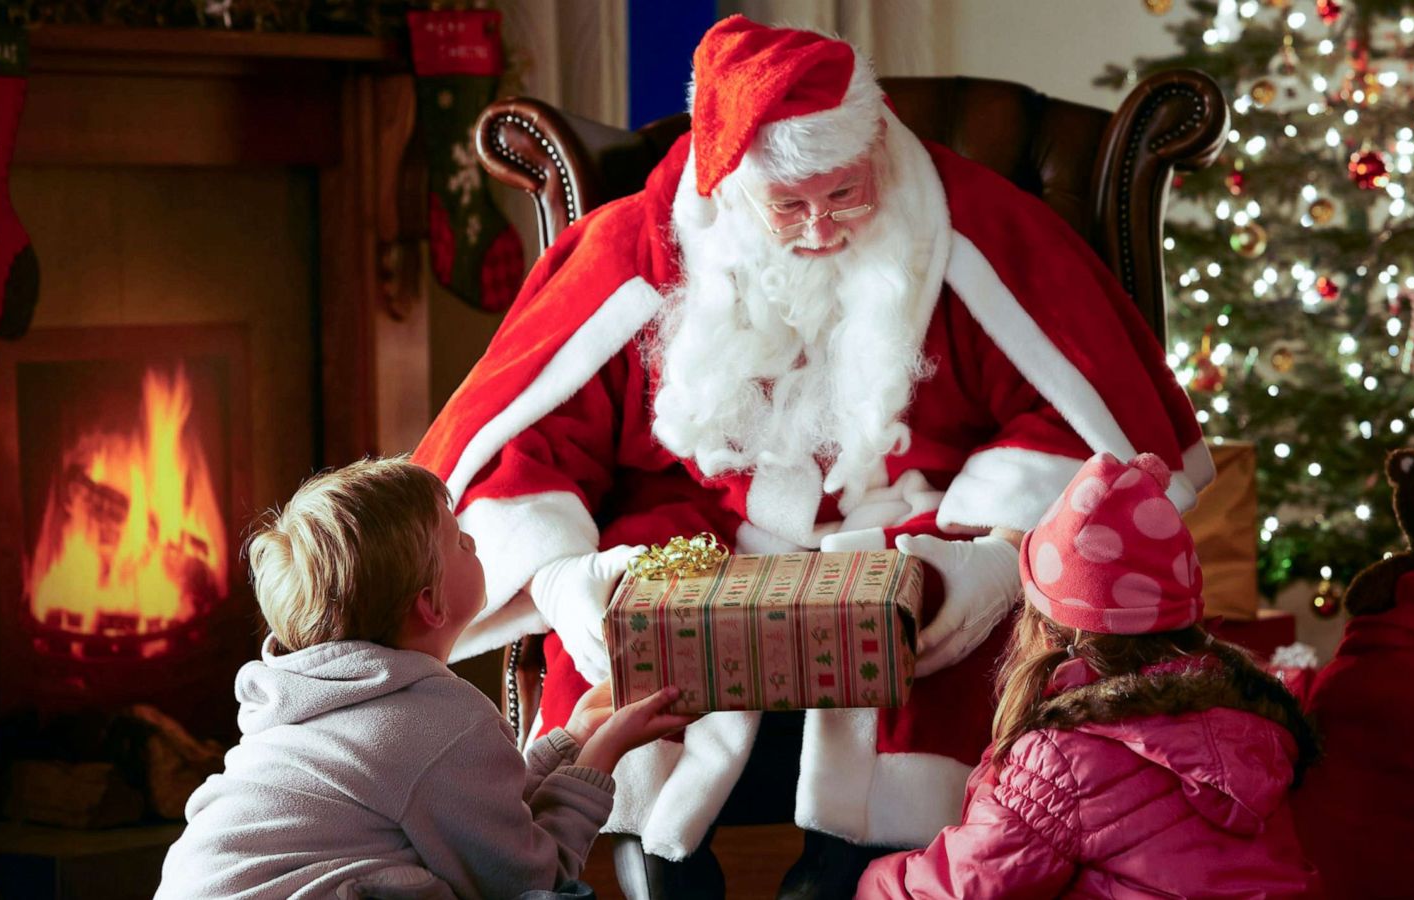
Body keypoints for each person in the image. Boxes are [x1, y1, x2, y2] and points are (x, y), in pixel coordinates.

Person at [416, 16, 1211, 899]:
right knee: (618, 689)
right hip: (691, 542)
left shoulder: (969, 229)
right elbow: (520, 444)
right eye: (789, 206)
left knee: (956, 665)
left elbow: (1075, 429)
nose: (822, 228)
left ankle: (860, 880)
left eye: (845, 195)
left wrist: (977, 554)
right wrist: (574, 579)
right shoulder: (641, 249)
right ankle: (658, 874)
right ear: (731, 192)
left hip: (908, 530)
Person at [154, 458, 692, 900]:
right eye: (458, 539)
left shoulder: (313, 703)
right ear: (430, 605)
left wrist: (571, 741)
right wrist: (604, 756)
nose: (475, 545)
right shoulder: (439, 722)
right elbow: (530, 880)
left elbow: (467, 810)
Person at [856, 452, 1322, 898]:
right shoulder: (1253, 714)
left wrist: (871, 880)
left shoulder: (1065, 759)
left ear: (1051, 629)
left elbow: (964, 888)